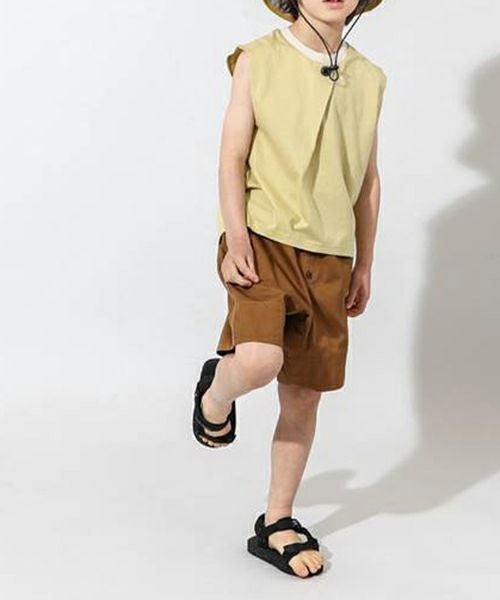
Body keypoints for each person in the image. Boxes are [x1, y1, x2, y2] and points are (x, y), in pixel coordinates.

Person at [192, 0, 387, 579]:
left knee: (303, 397)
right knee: (257, 361)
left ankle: (277, 520)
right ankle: (215, 396)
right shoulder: (259, 59)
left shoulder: (369, 78)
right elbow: (232, 154)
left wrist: (364, 262)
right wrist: (235, 235)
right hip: (262, 237)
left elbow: (368, 180)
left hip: (331, 254)